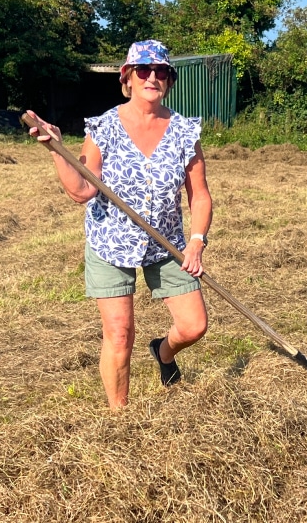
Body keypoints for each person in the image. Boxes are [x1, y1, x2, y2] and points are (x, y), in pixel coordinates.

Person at [28, 39, 212, 410]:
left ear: (169, 81)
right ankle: (119, 417)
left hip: (167, 243)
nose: (153, 77)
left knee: (194, 326)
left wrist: (196, 241)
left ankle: (163, 353)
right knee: (119, 332)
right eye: (143, 70)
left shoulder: (183, 132)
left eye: (161, 71)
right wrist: (58, 150)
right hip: (111, 241)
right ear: (127, 78)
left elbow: (201, 195)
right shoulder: (105, 128)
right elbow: (81, 191)